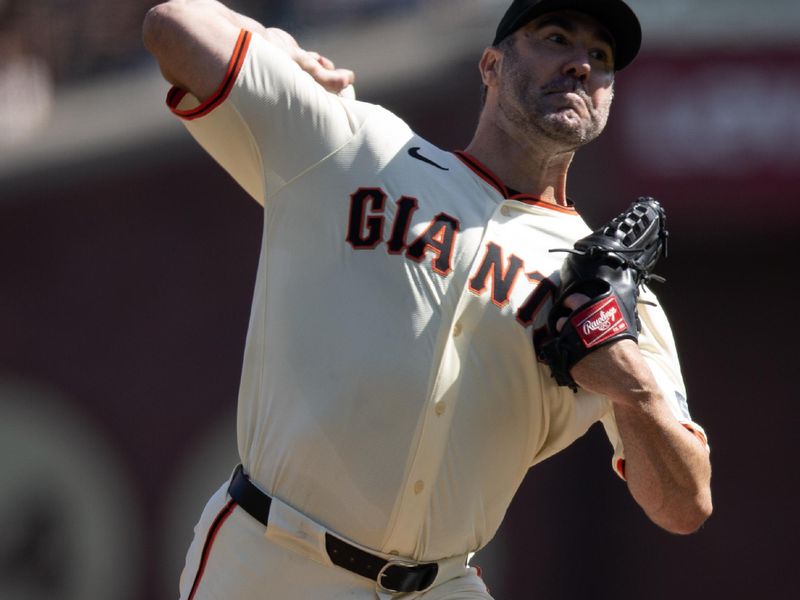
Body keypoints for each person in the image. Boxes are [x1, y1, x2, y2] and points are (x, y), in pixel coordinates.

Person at [143, 1, 712, 598]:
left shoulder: (610, 293)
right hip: (273, 557)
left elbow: (684, 504)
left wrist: (634, 388)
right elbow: (173, 26)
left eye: (600, 57)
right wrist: (274, 43)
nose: (579, 65)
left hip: (439, 584)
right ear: (491, 64)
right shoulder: (359, 148)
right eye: (555, 38)